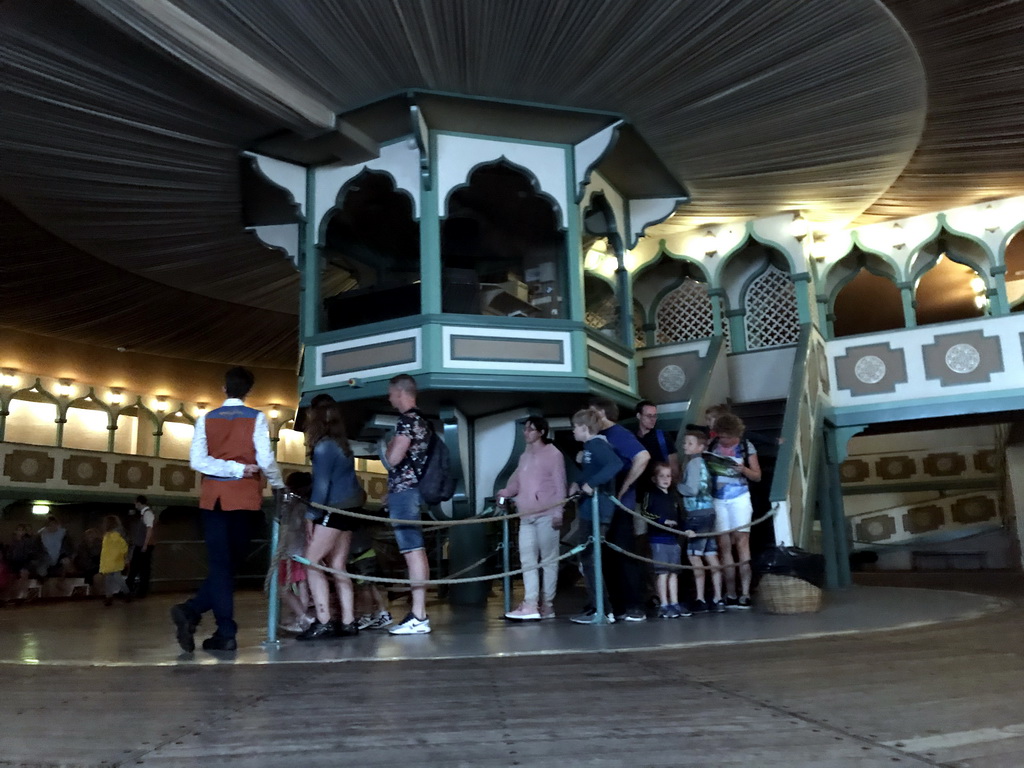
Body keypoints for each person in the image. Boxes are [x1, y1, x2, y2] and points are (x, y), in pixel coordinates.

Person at [172, 366, 285, 653]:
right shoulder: (257, 418)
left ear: (224, 389)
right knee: (228, 566)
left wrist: (227, 468)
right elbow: (265, 458)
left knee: (222, 567)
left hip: (213, 499)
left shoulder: (206, 418)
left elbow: (197, 461)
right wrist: (276, 484)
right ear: (249, 391)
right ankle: (222, 630)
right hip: (245, 499)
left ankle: (194, 611)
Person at [297, 401, 365, 640]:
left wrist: (310, 517)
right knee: (338, 565)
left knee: (311, 561)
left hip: (332, 510)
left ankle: (324, 620)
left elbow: (322, 487)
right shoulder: (343, 446)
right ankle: (348, 621)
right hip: (349, 508)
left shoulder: (324, 447)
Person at [497, 416, 567, 621]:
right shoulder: (525, 456)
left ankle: (547, 604)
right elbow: (518, 481)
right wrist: (506, 492)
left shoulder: (553, 455)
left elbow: (559, 483)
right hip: (526, 515)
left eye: (530, 429)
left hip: (546, 514)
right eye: (525, 429)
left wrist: (558, 512)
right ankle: (530, 603)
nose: (526, 432)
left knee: (548, 561)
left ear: (541, 432)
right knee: (527, 560)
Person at [588, 396, 650, 622]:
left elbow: (642, 457)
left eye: (592, 412)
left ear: (602, 413)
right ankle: (617, 605)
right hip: (604, 505)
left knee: (624, 554)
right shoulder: (599, 436)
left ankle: (635, 605)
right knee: (608, 556)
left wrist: (624, 488)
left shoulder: (620, 434)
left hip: (619, 505)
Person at [383, 374, 433, 635]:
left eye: (391, 393)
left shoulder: (406, 421)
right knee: (418, 550)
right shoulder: (422, 420)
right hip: (414, 491)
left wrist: (388, 446)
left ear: (400, 392)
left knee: (412, 550)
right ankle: (419, 613)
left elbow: (392, 458)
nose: (390, 398)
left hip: (404, 492)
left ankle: (418, 615)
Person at [569, 408, 622, 625]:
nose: (572, 431)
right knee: (588, 561)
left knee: (590, 561)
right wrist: (579, 481)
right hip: (589, 510)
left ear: (584, 428)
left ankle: (602, 608)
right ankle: (599, 607)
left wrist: (591, 484)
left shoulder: (597, 445)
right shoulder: (591, 448)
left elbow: (615, 464)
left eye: (574, 427)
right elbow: (592, 471)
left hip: (596, 512)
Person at [707, 413, 761, 609]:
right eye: (721, 436)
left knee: (742, 542)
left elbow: (757, 476)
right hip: (718, 498)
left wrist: (743, 470)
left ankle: (745, 593)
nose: (724, 441)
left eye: (727, 437)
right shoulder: (713, 445)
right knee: (724, 545)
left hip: (739, 497)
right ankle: (730, 592)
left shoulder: (746, 446)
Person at [677, 430, 725, 613]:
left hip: (697, 513)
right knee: (710, 554)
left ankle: (700, 598)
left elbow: (692, 489)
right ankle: (718, 597)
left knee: (694, 555)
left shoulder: (694, 463)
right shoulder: (704, 463)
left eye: (689, 443)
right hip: (709, 511)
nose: (685, 446)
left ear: (700, 447)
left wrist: (678, 485)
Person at [642, 462, 690, 618]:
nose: (665, 479)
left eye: (668, 476)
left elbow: (679, 516)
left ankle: (674, 603)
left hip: (673, 539)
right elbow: (645, 513)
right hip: (658, 539)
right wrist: (662, 521)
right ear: (654, 478)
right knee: (662, 573)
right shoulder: (650, 494)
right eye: (661, 476)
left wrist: (685, 530)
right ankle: (664, 603)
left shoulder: (673, 495)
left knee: (674, 573)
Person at [277, 472, 313, 634]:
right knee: (302, 585)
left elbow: (290, 528)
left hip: (290, 552)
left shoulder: (293, 506)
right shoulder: (307, 505)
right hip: (302, 551)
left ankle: (302, 616)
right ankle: (301, 617)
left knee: (283, 589)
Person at [635, 401, 680, 486]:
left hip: (657, 487)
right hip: (636, 485)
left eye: (655, 416)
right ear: (638, 416)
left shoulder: (663, 436)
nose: (653, 419)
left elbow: (674, 467)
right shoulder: (631, 437)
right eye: (649, 416)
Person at [126, 495, 156, 598]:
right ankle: (137, 590)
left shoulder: (147, 514)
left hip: (143, 546)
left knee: (139, 568)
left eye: (135, 503)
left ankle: (133, 589)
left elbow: (149, 530)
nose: (135, 505)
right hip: (143, 545)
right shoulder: (145, 514)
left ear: (139, 503)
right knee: (141, 568)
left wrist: (145, 544)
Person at [99, 515, 130, 606]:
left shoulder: (107, 536)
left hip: (110, 562)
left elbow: (105, 551)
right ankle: (125, 594)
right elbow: (124, 548)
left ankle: (111, 597)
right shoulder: (118, 535)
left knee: (111, 580)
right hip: (116, 561)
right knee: (116, 579)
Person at [36, 515, 72, 579]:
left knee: (66, 563)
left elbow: (68, 548)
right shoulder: (40, 536)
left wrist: (64, 556)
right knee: (41, 571)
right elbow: (38, 550)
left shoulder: (64, 534)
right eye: (50, 525)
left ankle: (63, 582)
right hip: (45, 558)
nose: (52, 526)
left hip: (60, 557)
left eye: (54, 524)